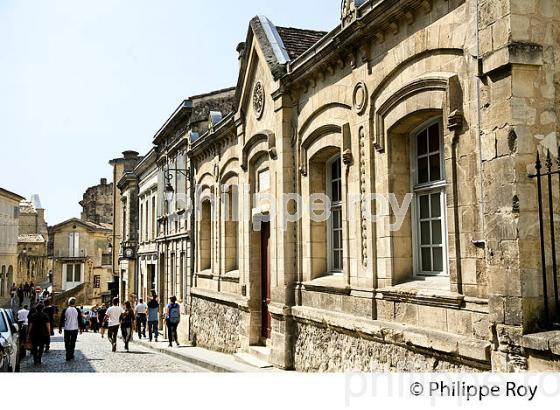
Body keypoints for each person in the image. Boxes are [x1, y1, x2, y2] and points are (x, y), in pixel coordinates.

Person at [58, 297, 84, 361]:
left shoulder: (65, 310)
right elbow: (80, 320)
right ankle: (71, 354)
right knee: (73, 342)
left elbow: (61, 319)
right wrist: (81, 328)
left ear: (68, 303)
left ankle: (67, 355)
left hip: (67, 328)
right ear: (75, 303)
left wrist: (60, 328)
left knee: (67, 342)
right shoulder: (77, 310)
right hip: (75, 328)